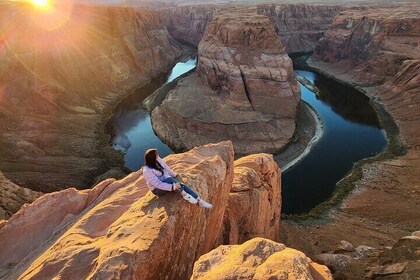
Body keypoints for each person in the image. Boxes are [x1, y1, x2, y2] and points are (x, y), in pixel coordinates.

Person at [142, 148, 212, 209]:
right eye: (157, 155)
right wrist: (172, 187)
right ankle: (185, 195)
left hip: (167, 180)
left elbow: (166, 167)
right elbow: (158, 184)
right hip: (157, 189)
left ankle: (199, 200)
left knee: (180, 184)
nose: (158, 156)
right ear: (152, 158)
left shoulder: (158, 160)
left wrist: (173, 174)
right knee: (172, 181)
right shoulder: (147, 171)